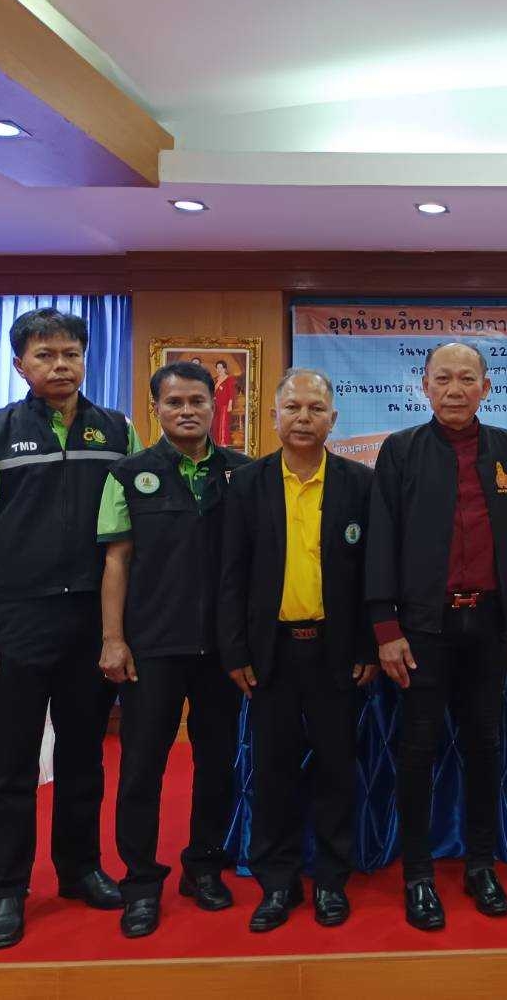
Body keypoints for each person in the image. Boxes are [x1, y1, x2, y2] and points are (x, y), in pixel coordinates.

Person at [0, 308, 140, 949]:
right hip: (16, 620)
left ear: (85, 359)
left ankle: (80, 869)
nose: (60, 365)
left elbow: (129, 536)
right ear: (19, 365)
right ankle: (6, 888)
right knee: (9, 764)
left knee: (86, 756)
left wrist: (117, 630)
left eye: (70, 354)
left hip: (90, 619)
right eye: (45, 355)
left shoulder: (118, 429)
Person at [367, 341, 507, 931]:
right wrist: (385, 628)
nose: (455, 389)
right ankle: (418, 874)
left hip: (489, 625)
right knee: (418, 750)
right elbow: (381, 538)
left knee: (485, 747)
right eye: (443, 378)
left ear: (486, 387)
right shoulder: (401, 450)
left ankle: (481, 865)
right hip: (422, 629)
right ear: (425, 386)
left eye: (466, 378)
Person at [218, 368, 376, 933]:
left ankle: (332, 879)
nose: (303, 418)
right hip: (272, 654)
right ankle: (277, 883)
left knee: (337, 769)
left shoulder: (360, 484)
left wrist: (368, 645)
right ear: (274, 417)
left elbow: (372, 575)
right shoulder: (248, 483)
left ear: (333, 419)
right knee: (273, 771)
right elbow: (231, 574)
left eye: (315, 409)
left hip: (337, 651)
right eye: (293, 408)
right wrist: (235, 651)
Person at [96, 361, 251, 938]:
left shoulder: (243, 473)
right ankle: (140, 882)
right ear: (155, 408)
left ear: (214, 406)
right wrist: (113, 639)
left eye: (197, 401)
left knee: (217, 764)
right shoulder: (127, 473)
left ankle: (203, 867)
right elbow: (117, 562)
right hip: (151, 646)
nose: (187, 411)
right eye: (174, 402)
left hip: (223, 650)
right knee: (141, 767)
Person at [211, 359, 236, 448]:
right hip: (215, 405)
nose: (219, 370)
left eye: (221, 368)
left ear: (225, 369)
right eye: (217, 368)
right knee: (215, 424)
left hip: (225, 406)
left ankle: (223, 443)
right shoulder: (215, 379)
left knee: (223, 424)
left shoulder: (229, 379)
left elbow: (231, 393)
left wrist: (230, 404)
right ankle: (216, 442)